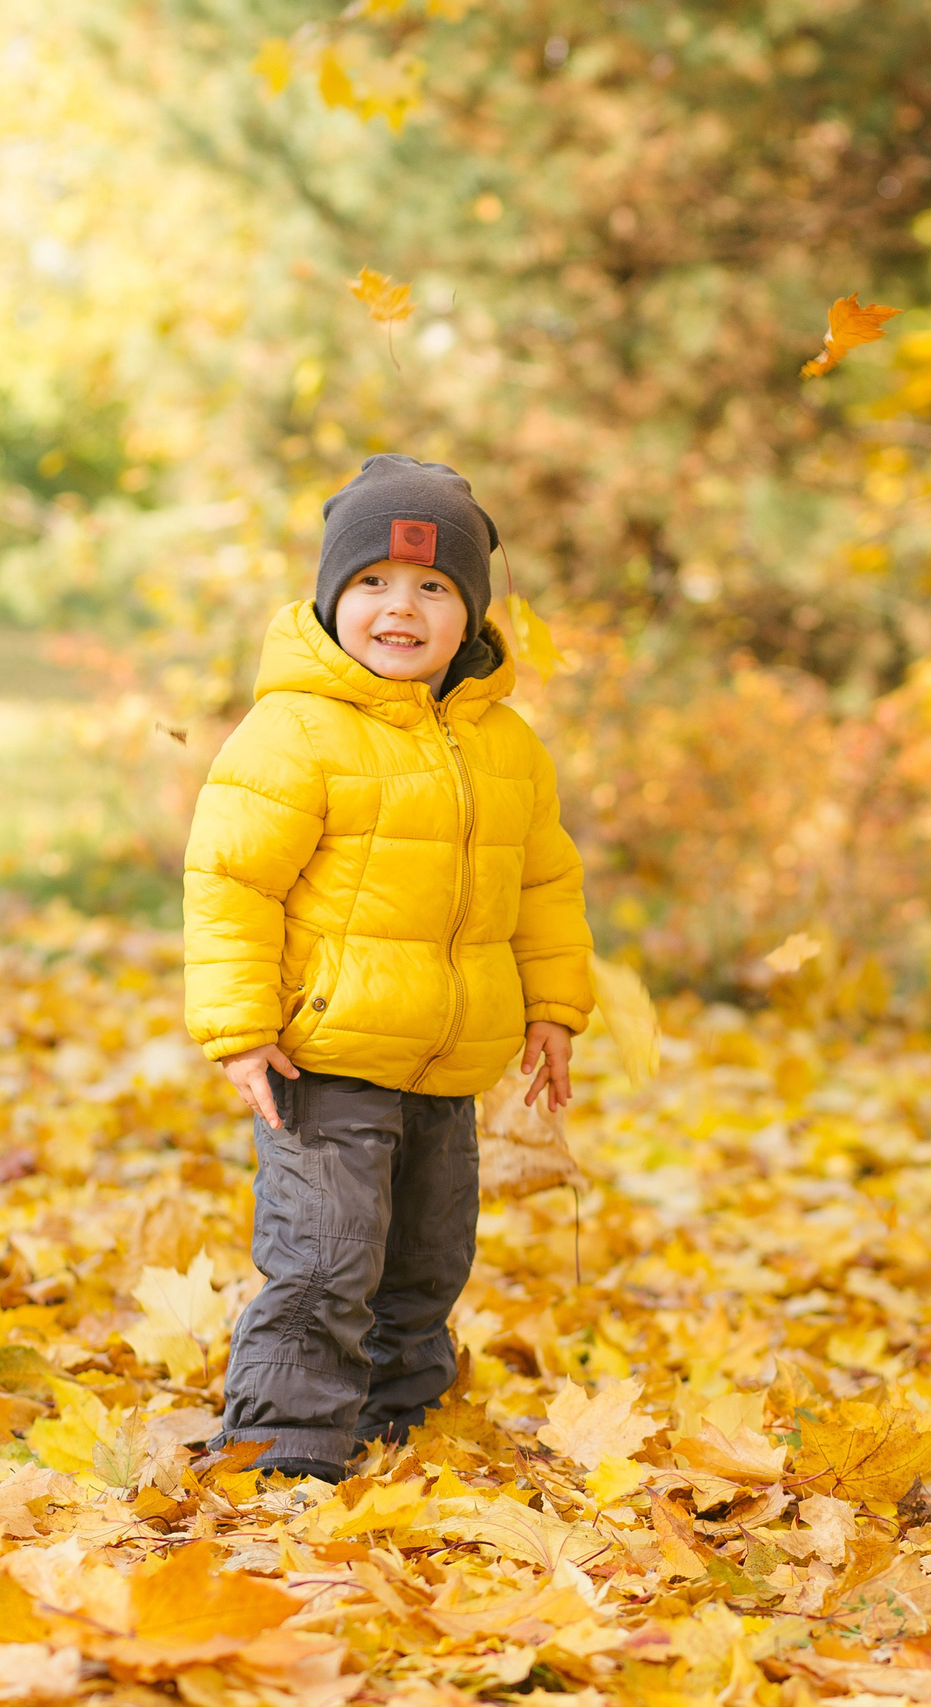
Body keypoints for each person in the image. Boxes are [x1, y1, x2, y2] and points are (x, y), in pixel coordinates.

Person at [183, 454, 593, 1483]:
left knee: (424, 1260)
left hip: (447, 1065)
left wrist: (553, 1010)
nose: (397, 607)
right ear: (330, 601)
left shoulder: (506, 746)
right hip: (319, 1061)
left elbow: (543, 886)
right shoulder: (294, 732)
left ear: (471, 617)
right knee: (323, 1259)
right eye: (369, 583)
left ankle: (399, 1428)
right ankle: (284, 1448)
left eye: (431, 587)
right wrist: (240, 1029)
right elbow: (232, 881)